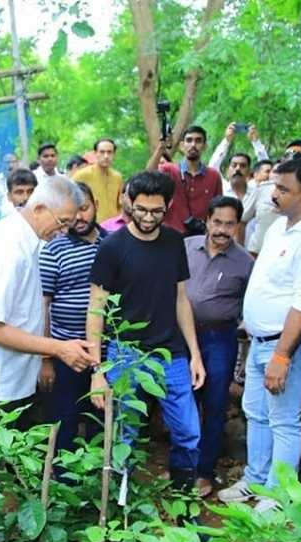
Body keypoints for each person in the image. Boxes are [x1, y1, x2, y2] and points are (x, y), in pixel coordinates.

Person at [218, 157, 301, 512]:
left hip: (283, 347)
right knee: (255, 412)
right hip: (257, 341)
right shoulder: (278, 228)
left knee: (284, 420)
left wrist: (283, 355)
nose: (275, 195)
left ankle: (278, 494)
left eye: (283, 189)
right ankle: (255, 479)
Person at [87, 171, 206, 493]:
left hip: (171, 354)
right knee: (124, 434)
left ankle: (184, 499)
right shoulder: (112, 247)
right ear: (128, 202)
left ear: (168, 205)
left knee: (188, 432)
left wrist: (195, 355)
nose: (148, 217)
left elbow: (182, 299)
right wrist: (97, 371)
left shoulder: (173, 242)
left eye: (156, 211)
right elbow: (96, 309)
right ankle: (122, 504)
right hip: (125, 353)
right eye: (141, 209)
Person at [0, 176, 97, 425]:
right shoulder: (8, 249)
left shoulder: (28, 241)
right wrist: (58, 348)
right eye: (62, 222)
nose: (65, 231)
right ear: (39, 208)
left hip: (15, 377)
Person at [185, 196, 254, 497]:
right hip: (181, 337)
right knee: (183, 403)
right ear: (207, 221)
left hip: (219, 339)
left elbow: (250, 307)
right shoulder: (186, 248)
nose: (222, 230)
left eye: (229, 224)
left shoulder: (245, 262)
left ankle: (204, 472)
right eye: (217, 222)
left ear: (237, 226)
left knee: (214, 406)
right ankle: (182, 467)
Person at [38, 182, 107, 452]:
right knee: (65, 417)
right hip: (66, 350)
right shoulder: (54, 250)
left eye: (85, 208)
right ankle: (62, 480)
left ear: (96, 206)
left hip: (105, 351)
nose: (80, 217)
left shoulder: (112, 244)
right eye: (74, 211)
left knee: (100, 418)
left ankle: (97, 479)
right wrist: (46, 360)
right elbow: (43, 306)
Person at [241, 139, 301, 256]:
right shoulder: (262, 189)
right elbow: (242, 221)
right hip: (254, 256)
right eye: (289, 155)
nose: (294, 162)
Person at [158, 126, 224, 234]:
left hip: (200, 237)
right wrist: (160, 148)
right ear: (182, 145)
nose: (193, 145)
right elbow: (147, 177)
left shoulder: (214, 176)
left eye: (198, 141)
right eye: (189, 140)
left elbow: (218, 210)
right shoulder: (168, 170)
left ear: (205, 146)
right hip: (170, 235)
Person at [72, 139, 124, 223]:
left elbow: (120, 203)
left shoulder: (117, 177)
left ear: (114, 154)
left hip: (114, 226)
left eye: (109, 152)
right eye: (102, 152)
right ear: (95, 153)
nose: (106, 156)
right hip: (93, 225)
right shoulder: (82, 175)